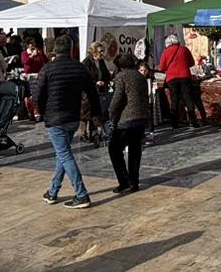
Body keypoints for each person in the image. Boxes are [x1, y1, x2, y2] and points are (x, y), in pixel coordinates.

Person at [37, 35, 98, 208]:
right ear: (71, 49)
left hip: (55, 117)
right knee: (62, 154)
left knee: (64, 154)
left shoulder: (48, 69)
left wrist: (42, 112)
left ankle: (81, 194)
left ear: (55, 50)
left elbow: (38, 94)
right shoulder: (79, 68)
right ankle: (53, 191)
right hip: (72, 117)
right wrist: (96, 114)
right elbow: (92, 93)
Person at [107, 52, 149, 195]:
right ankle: (134, 182)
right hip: (141, 118)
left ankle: (124, 181)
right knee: (135, 150)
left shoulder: (121, 77)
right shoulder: (140, 76)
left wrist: (110, 114)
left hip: (126, 119)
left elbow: (117, 99)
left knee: (114, 149)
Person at [158, 35, 198, 128]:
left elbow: (163, 67)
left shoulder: (165, 52)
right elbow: (191, 63)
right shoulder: (184, 49)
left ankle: (174, 123)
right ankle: (193, 121)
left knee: (174, 100)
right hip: (185, 76)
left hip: (171, 78)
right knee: (188, 98)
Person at [80, 42, 112, 142]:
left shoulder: (101, 61)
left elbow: (106, 74)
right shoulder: (86, 62)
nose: (102, 53)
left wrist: (105, 81)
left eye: (102, 51)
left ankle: (93, 133)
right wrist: (95, 83)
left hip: (99, 91)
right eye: (100, 51)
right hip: (87, 92)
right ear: (93, 52)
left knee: (96, 112)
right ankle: (83, 133)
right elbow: (83, 77)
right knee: (85, 113)